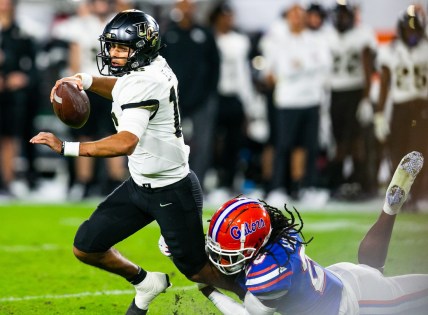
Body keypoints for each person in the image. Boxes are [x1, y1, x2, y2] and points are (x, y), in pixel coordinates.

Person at [30, 9, 242, 315]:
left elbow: (125, 141)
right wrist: (86, 80)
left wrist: (66, 147)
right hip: (141, 185)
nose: (114, 54)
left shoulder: (146, 80)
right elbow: (122, 89)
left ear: (142, 48)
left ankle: (260, 296)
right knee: (87, 246)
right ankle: (145, 282)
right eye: (112, 46)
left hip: (171, 188)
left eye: (122, 48)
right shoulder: (152, 67)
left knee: (198, 271)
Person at [200, 151, 428, 314]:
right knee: (370, 270)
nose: (223, 257)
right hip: (340, 284)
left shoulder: (268, 275)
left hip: (355, 301)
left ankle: (390, 208)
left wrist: (208, 290)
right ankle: (389, 209)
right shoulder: (280, 238)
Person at [52, 0, 127, 200]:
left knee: (115, 134)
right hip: (85, 86)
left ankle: (115, 182)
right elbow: (74, 57)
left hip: (112, 86)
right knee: (84, 134)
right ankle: (84, 182)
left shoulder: (118, 21)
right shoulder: (81, 23)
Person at [261, 3, 331, 206]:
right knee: (283, 145)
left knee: (310, 146)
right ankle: (278, 188)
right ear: (288, 18)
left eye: (300, 15)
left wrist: (296, 68)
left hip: (311, 100)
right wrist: (303, 68)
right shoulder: (277, 42)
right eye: (293, 15)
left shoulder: (316, 40)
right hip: (287, 101)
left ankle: (309, 187)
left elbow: (323, 65)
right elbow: (269, 72)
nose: (297, 19)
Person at [161, 0, 220, 193]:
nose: (186, 9)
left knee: (202, 144)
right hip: (173, 100)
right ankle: (172, 184)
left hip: (202, 100)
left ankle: (198, 185)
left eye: (189, 5)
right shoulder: (168, 34)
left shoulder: (205, 34)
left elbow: (215, 66)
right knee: (171, 143)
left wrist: (209, 93)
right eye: (182, 5)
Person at [374, 4, 428, 212]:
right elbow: (385, 84)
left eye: (414, 29)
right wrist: (379, 114)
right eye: (408, 29)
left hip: (422, 107)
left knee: (420, 152)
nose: (411, 33)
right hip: (401, 107)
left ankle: (415, 194)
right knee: (397, 151)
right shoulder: (391, 50)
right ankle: (398, 195)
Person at [327, 2, 378, 200]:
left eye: (345, 14)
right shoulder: (327, 35)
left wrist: (366, 99)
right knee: (338, 141)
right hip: (335, 91)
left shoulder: (363, 34)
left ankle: (361, 182)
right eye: (339, 14)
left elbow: (368, 68)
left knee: (357, 141)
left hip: (355, 91)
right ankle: (338, 182)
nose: (342, 18)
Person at [0, 0, 39, 199]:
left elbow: (33, 67)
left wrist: (21, 78)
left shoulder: (22, 32)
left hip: (11, 96)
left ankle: (7, 181)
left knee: (9, 139)